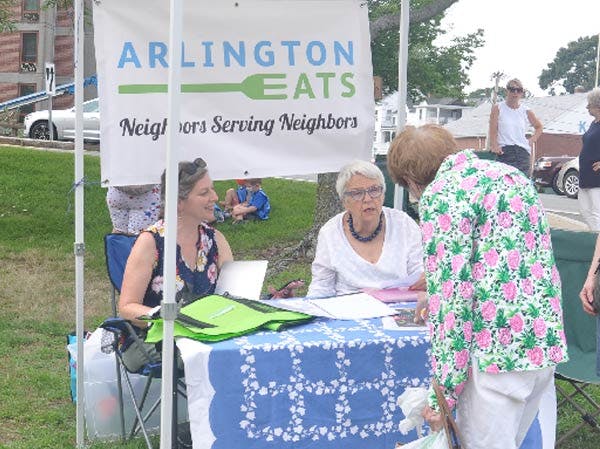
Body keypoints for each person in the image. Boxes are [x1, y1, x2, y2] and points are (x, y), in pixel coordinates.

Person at [387, 124, 568, 449]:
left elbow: (452, 304)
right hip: (541, 341)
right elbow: (522, 258)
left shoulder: (442, 194)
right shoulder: (511, 177)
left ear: (412, 181)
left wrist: (443, 391)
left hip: (494, 355)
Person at [119, 158, 233, 329]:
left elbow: (235, 296)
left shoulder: (216, 240)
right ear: (178, 202)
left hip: (208, 336)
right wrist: (171, 321)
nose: (215, 197)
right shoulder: (150, 242)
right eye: (204, 193)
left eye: (213, 190)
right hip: (157, 339)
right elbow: (127, 307)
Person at [306, 159, 424, 298]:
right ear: (344, 201)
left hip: (398, 310)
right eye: (357, 193)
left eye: (374, 190)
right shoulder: (330, 232)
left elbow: (419, 275)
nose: (367, 199)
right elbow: (321, 287)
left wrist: (424, 281)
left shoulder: (404, 224)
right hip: (348, 313)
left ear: (383, 193)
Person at [488, 78, 543, 177]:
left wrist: (532, 140)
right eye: (512, 89)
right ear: (507, 91)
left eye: (519, 90)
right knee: (505, 184)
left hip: (522, 152)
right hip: (504, 151)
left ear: (522, 93)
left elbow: (539, 127)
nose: (515, 93)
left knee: (522, 184)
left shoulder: (526, 111)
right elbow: (492, 130)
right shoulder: (498, 108)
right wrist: (494, 146)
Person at [577, 87, 600, 231]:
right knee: (585, 211)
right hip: (586, 175)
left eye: (589, 105)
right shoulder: (594, 124)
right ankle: (596, 237)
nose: (587, 108)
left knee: (598, 212)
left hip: (597, 178)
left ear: (598, 106)